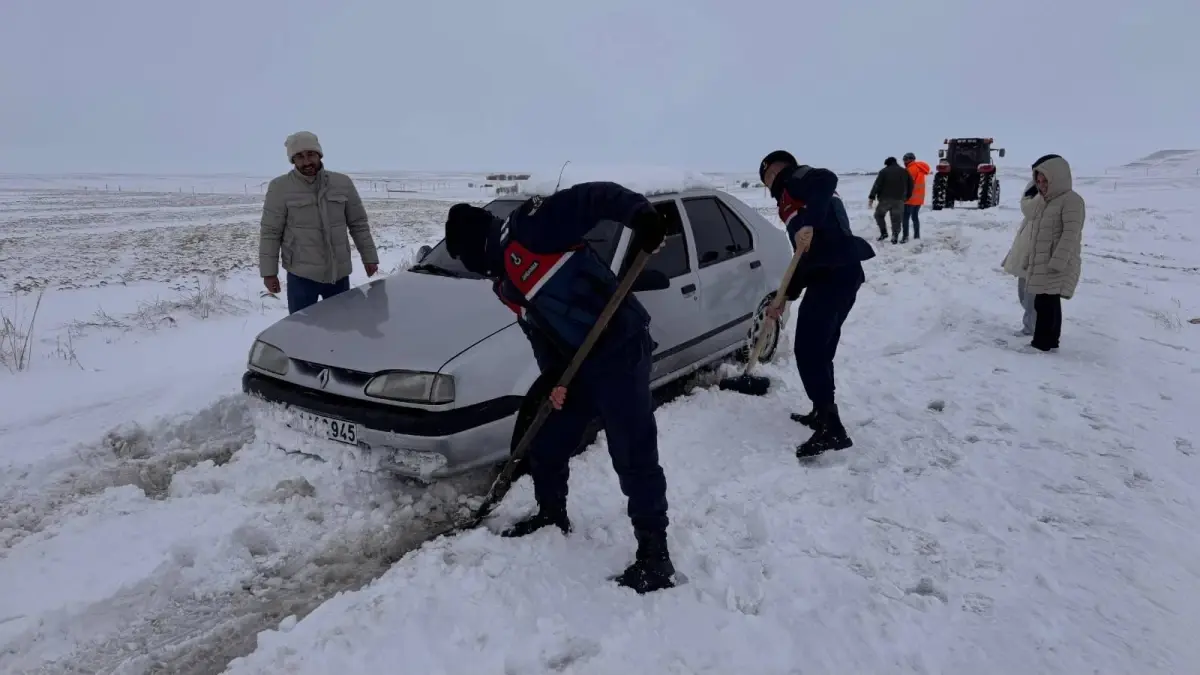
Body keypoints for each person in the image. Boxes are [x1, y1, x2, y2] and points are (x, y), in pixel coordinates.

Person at [443, 181, 677, 594]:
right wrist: (553, 378)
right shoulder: (504, 281)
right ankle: (551, 514)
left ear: (478, 245)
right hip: (576, 364)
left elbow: (595, 198)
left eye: (467, 258)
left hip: (620, 349)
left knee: (632, 452)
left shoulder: (534, 227)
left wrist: (640, 215)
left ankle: (654, 554)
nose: (472, 269)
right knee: (548, 443)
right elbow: (539, 330)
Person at [758, 150, 876, 458]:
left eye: (767, 174)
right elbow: (805, 258)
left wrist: (808, 223)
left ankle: (832, 429)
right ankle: (821, 411)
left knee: (809, 350)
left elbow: (828, 178)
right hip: (838, 274)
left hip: (835, 274)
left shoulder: (796, 179)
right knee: (820, 350)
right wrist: (784, 297)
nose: (768, 181)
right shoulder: (794, 198)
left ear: (778, 169)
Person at [259, 131, 380, 314]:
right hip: (301, 276)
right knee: (302, 330)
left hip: (338, 274)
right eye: (299, 156)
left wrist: (369, 258)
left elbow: (358, 224)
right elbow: (271, 232)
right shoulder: (280, 187)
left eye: (311, 154)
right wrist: (269, 272)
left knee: (341, 325)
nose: (306, 162)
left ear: (319, 155)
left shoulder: (342, 183)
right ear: (292, 160)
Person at [1022, 154, 1085, 351]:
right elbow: (1037, 234)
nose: (1041, 185)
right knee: (1047, 301)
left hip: (1056, 261)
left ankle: (1041, 343)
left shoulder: (1071, 201)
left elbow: (1070, 234)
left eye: (1045, 181)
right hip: (1044, 260)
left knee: (1045, 302)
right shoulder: (1045, 201)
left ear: (1056, 178)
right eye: (1038, 181)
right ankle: (1050, 341)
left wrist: (1058, 262)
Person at [1000, 176, 1044, 336]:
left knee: (1033, 298)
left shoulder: (1046, 204)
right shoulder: (1030, 210)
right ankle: (1031, 325)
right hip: (1025, 256)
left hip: (1037, 259)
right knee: (1024, 296)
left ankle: (1032, 328)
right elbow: (1023, 236)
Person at [867, 156, 914, 244]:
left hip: (885, 200)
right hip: (899, 200)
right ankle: (895, 236)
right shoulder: (904, 171)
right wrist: (907, 197)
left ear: (887, 163)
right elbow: (911, 185)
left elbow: (877, 185)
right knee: (896, 219)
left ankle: (884, 233)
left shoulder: (884, 171)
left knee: (878, 215)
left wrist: (872, 197)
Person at [902, 152, 931, 240]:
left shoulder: (911, 169)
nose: (904, 161)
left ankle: (905, 237)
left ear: (910, 160)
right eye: (904, 160)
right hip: (918, 199)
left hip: (910, 199)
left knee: (905, 218)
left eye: (905, 159)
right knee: (915, 217)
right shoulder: (920, 168)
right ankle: (917, 236)